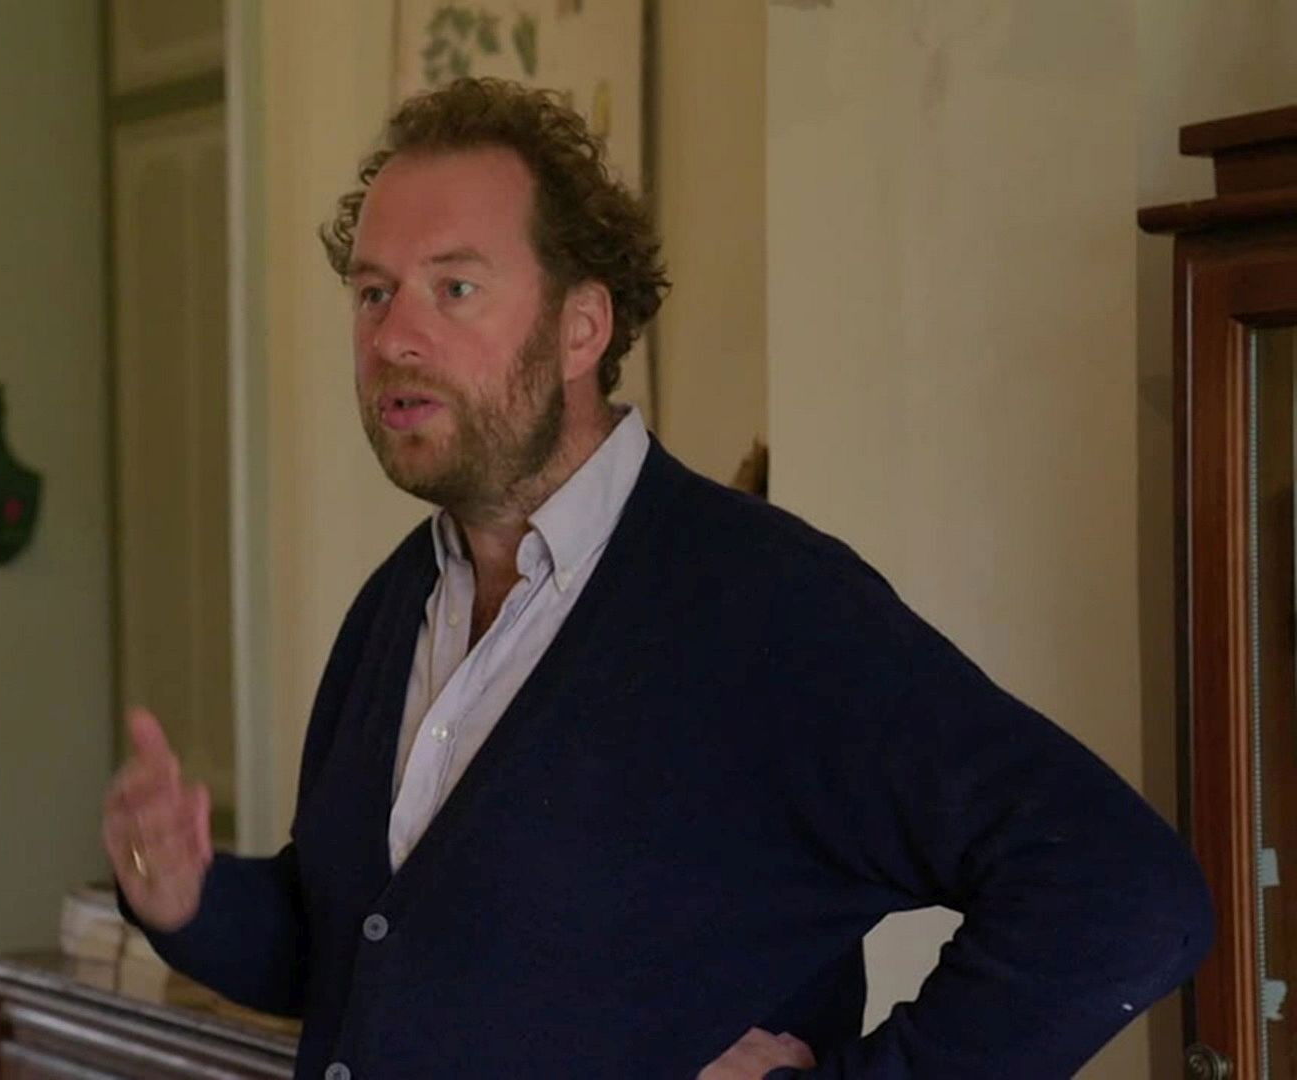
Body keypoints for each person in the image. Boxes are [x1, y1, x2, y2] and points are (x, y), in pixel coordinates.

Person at [102, 78, 1212, 1078]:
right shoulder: (400, 603)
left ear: (582, 326)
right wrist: (191, 899)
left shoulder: (768, 608)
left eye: (455, 288)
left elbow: (1125, 892)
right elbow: (364, 951)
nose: (395, 337)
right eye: (373, 293)